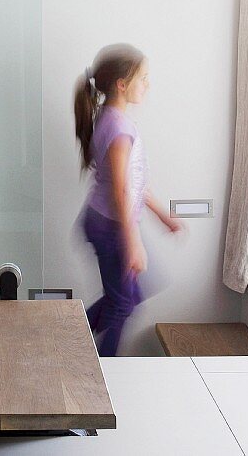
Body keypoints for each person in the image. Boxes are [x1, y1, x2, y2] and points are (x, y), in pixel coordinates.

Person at [74, 44, 183, 356]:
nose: (147, 85)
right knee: (123, 303)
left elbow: (132, 185)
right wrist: (133, 243)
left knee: (125, 298)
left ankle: (66, 337)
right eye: (143, 78)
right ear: (122, 84)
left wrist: (161, 215)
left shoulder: (111, 119)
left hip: (105, 222)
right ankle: (105, 368)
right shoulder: (119, 128)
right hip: (108, 227)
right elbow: (120, 190)